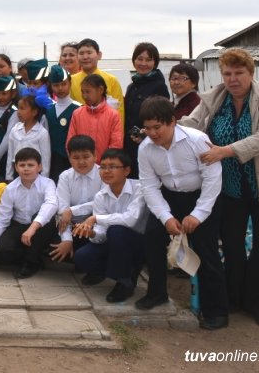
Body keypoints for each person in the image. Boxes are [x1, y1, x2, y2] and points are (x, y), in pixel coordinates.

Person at [180, 48, 259, 327]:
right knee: (232, 244)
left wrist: (224, 151)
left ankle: (257, 304)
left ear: (251, 73)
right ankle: (235, 298)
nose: (233, 79)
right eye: (227, 73)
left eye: (239, 73)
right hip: (230, 188)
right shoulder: (214, 97)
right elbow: (191, 124)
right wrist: (164, 128)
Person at [137, 96, 228, 330]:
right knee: (152, 236)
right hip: (170, 197)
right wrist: (166, 217)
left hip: (202, 196)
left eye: (157, 127)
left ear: (172, 121)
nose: (152, 133)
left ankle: (216, 310)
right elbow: (148, 186)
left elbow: (212, 179)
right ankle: (157, 292)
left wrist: (198, 214)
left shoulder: (197, 140)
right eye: (147, 128)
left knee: (206, 248)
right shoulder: (145, 149)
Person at [72, 149, 148, 303]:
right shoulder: (101, 196)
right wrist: (91, 233)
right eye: (103, 167)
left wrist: (95, 218)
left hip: (140, 242)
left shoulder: (140, 189)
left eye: (112, 167)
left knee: (117, 231)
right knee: (81, 257)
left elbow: (131, 220)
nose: (106, 171)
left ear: (127, 170)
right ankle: (112, 272)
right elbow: (101, 234)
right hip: (114, 241)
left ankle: (125, 282)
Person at [0, 148, 59, 278]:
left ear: (39, 167)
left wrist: (32, 228)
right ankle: (33, 256)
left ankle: (30, 263)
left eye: (31, 165)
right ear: (16, 168)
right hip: (19, 225)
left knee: (48, 218)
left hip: (41, 227)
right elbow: (2, 219)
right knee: (1, 252)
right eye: (22, 165)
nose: (26, 169)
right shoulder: (10, 189)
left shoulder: (48, 183)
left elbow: (51, 205)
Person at [51, 135, 102, 264]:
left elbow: (103, 203)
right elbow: (62, 210)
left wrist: (72, 210)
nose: (81, 162)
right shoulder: (65, 176)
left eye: (86, 157)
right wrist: (67, 240)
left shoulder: (103, 174)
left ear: (95, 156)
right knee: (53, 220)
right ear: (69, 158)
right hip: (71, 223)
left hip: (95, 223)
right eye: (76, 158)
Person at [123, 42, 169, 172]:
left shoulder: (159, 86)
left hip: (150, 144)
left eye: (148, 60)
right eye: (140, 59)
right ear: (134, 60)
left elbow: (162, 119)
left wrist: (146, 134)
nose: (143, 63)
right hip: (130, 145)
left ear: (155, 63)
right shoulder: (132, 86)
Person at [66, 74, 124, 163]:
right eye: (82, 92)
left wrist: (105, 165)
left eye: (88, 92)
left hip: (104, 166)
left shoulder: (113, 115)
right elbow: (70, 143)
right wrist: (78, 161)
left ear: (100, 90)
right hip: (81, 165)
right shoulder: (77, 114)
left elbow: (116, 144)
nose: (85, 96)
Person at [69, 38, 125, 127]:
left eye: (89, 53)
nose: (85, 57)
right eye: (81, 53)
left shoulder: (112, 80)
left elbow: (119, 112)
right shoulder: (70, 81)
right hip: (80, 129)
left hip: (105, 130)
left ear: (99, 55)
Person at [4, 95, 51, 181]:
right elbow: (10, 155)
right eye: (18, 108)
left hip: (35, 175)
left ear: (34, 112)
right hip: (17, 172)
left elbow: (45, 160)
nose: (18, 112)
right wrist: (9, 176)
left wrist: (44, 181)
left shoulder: (42, 133)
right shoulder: (15, 130)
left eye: (22, 108)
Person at [0, 75, 19, 172]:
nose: (0, 97)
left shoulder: (14, 113)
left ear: (13, 94)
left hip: (5, 158)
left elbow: (7, 139)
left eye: (4, 93)